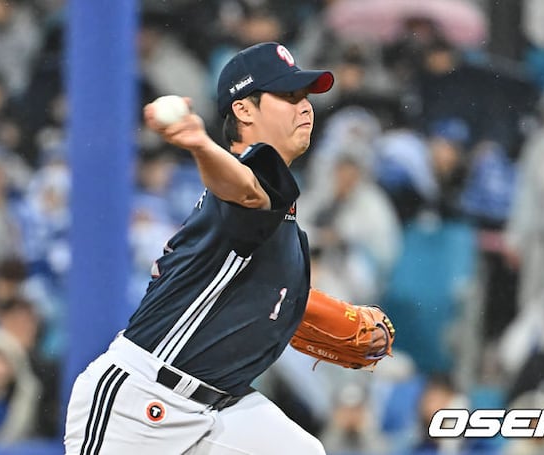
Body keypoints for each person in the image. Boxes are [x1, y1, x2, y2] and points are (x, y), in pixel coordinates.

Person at [64, 41, 393, 454]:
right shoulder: (254, 175)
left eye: (306, 97)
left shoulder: (288, 229)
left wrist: (320, 315)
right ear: (244, 109)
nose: (305, 107)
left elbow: (268, 298)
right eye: (288, 95)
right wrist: (201, 145)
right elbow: (246, 189)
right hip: (141, 403)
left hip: (222, 407)